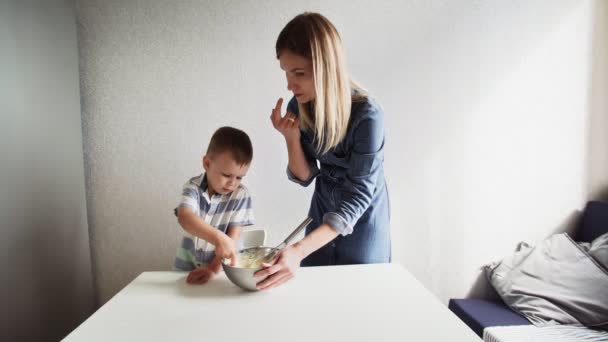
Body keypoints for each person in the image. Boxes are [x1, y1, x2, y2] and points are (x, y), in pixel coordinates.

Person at [257, 12, 390, 290]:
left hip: (363, 221)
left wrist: (298, 250)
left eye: (299, 73)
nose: (290, 85)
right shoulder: (299, 105)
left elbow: (357, 197)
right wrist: (291, 138)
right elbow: (305, 176)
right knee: (314, 295)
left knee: (358, 297)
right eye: (286, 72)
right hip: (321, 212)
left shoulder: (368, 116)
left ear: (327, 67)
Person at [173, 126, 255, 284]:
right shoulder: (193, 188)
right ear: (207, 163)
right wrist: (219, 238)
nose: (232, 183)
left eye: (239, 177)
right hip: (186, 267)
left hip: (223, 271)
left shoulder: (241, 195)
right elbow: (185, 217)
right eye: (226, 175)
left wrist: (212, 269)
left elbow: (233, 238)